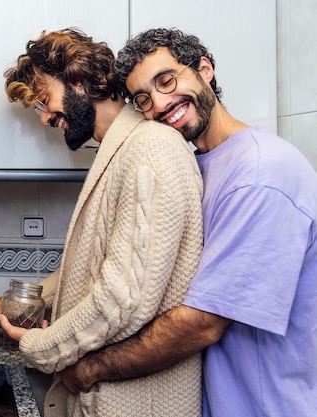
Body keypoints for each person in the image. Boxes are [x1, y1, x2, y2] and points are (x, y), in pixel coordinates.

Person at [57, 28, 317, 417]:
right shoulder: (195, 165)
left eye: (167, 80)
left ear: (204, 69)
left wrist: (90, 368)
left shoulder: (263, 174)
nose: (160, 103)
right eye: (144, 98)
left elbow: (202, 324)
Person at [0, 28, 204, 417]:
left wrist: (40, 346)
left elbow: (121, 300)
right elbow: (91, 265)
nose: (44, 118)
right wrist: (22, 303)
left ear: (78, 79)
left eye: (44, 101)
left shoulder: (150, 150)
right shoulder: (120, 150)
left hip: (133, 405)